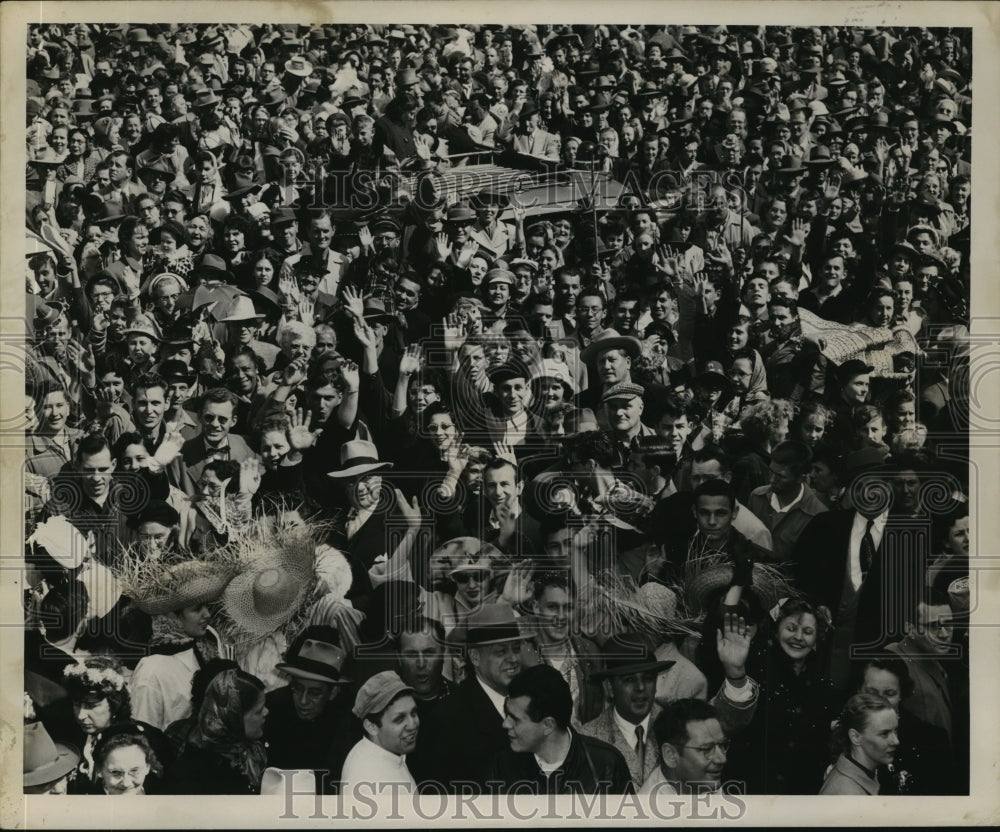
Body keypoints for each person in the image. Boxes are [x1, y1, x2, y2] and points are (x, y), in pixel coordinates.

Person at [490, 664, 633, 794]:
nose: (505, 724)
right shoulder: (503, 765)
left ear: (548, 725)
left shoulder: (607, 764)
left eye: (515, 719)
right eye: (507, 714)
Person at [263, 626, 354, 793]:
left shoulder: (345, 723)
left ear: (333, 692)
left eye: (314, 693)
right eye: (297, 688)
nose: (303, 701)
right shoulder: (271, 708)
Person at [167, 666, 269, 794]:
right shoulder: (195, 773)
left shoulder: (251, 751)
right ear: (233, 719)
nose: (266, 712)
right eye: (258, 711)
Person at [340, 670, 419, 795]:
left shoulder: (380, 751)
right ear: (371, 726)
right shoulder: (370, 781)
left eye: (413, 713)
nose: (413, 724)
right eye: (399, 719)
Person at [819, 693, 899, 795]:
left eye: (895, 731)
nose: (896, 741)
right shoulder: (848, 793)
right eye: (884, 733)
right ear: (855, 737)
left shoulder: (862, 773)